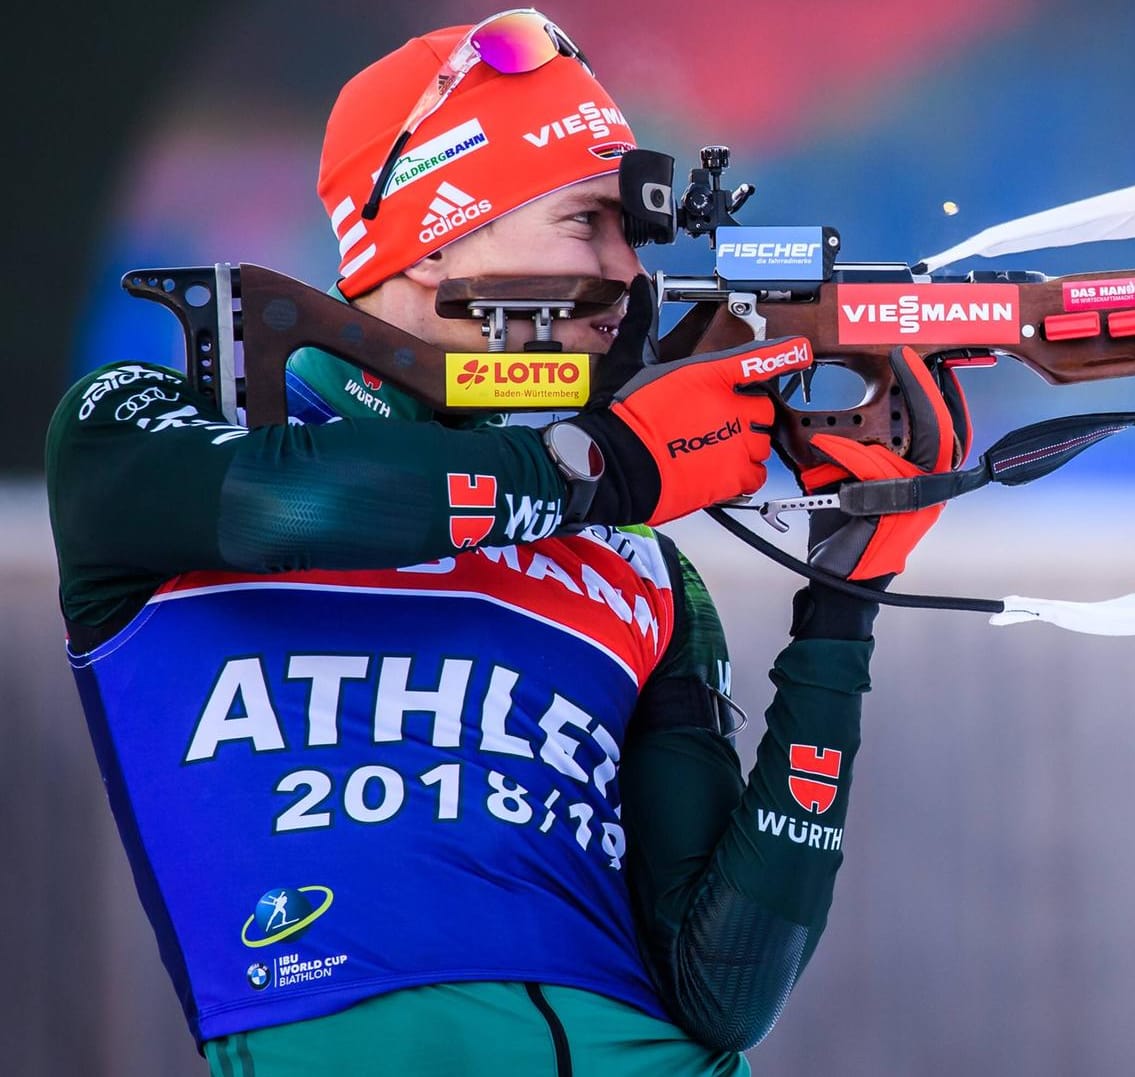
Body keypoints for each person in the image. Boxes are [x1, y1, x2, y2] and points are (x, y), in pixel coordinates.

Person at [44, 10, 960, 1075]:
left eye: (634, 231)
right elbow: (280, 507)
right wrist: (600, 467)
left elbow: (727, 993)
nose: (629, 271)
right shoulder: (140, 424)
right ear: (435, 236)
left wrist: (847, 600)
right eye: (588, 221)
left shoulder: (636, 559)